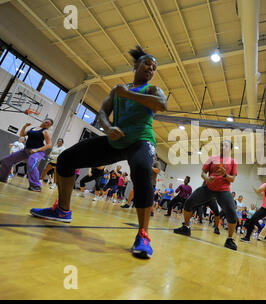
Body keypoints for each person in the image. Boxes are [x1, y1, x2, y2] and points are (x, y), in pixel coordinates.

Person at [29, 45, 167, 260]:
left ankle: (143, 234)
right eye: (147, 64)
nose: (151, 68)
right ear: (135, 66)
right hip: (116, 140)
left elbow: (162, 105)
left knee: (141, 169)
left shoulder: (151, 90)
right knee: (66, 159)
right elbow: (103, 112)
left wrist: (129, 94)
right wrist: (108, 128)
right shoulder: (117, 90)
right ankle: (62, 210)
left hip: (141, 141)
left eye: (154, 67)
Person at [173, 140, 238, 250]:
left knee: (231, 212)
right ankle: (186, 227)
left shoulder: (233, 161)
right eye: (221, 145)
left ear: (230, 149)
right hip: (208, 188)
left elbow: (232, 179)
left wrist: (225, 174)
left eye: (226, 146)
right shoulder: (212, 158)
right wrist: (207, 178)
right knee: (188, 203)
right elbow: (203, 173)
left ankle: (230, 239)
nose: (223, 147)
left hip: (223, 190)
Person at [0, 119, 54, 191]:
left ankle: (36, 186)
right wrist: (25, 126)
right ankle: (2, 177)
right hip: (27, 150)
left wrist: (36, 150)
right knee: (7, 160)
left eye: (49, 124)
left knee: (31, 164)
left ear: (49, 126)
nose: (46, 124)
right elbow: (22, 134)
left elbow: (49, 145)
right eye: (46, 122)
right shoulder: (33, 129)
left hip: (38, 152)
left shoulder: (45, 132)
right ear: (43, 121)